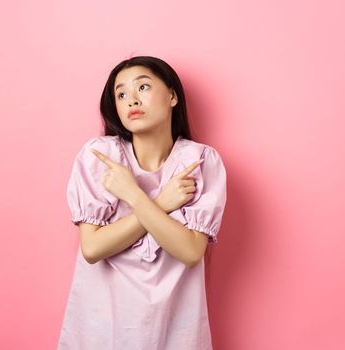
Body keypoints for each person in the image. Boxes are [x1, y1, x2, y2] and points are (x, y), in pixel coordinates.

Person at [56, 56, 227, 349]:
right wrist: (160, 203)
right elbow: (93, 248)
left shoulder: (200, 162)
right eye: (121, 94)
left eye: (143, 87)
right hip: (102, 328)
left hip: (174, 328)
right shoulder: (100, 157)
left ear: (172, 96)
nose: (131, 100)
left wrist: (133, 195)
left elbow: (190, 251)